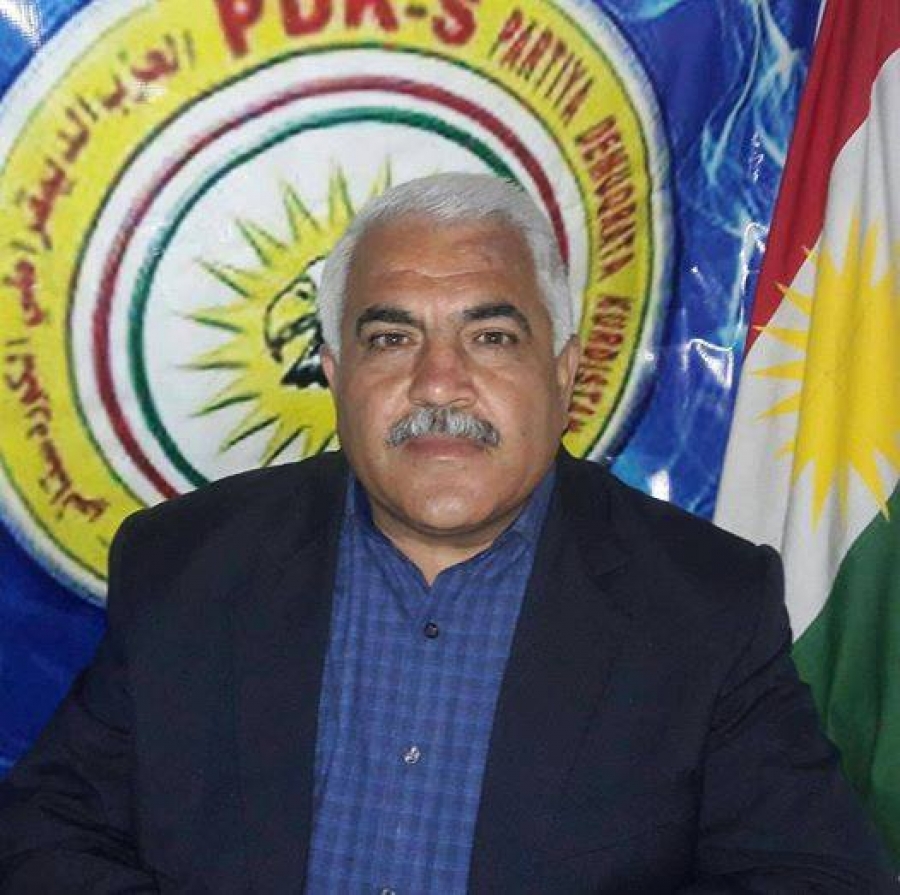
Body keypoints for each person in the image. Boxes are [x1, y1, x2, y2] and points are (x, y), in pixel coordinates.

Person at [0, 174, 894, 894]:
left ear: (564, 372)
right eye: (391, 339)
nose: (438, 383)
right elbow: (45, 832)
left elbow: (815, 876)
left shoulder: (704, 603)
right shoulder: (189, 562)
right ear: (336, 372)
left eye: (491, 337)